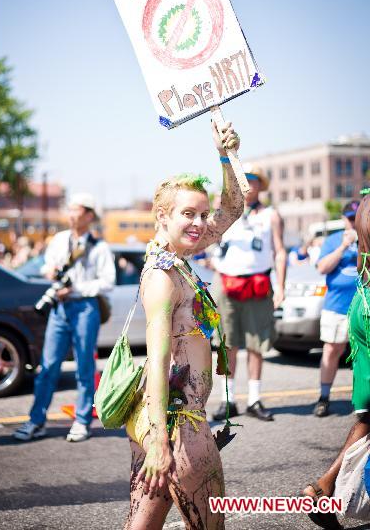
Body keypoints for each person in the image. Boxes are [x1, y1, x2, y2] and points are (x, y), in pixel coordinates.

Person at [124, 120, 243, 529]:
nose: (199, 223)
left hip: (167, 420)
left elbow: (234, 207)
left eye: (202, 213)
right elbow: (156, 361)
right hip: (179, 424)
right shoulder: (162, 276)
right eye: (188, 214)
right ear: (162, 215)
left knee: (142, 524)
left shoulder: (177, 262)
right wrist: (159, 441)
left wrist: (226, 156)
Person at [13, 193, 115, 442]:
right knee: (47, 367)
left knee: (84, 367)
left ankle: (82, 421)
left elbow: (108, 282)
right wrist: (50, 272)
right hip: (59, 308)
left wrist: (77, 289)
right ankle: (36, 420)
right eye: (69, 210)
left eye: (76, 210)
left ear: (89, 215)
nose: (71, 215)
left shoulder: (99, 247)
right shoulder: (59, 240)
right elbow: (47, 266)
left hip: (84, 308)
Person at [302, 192, 370, 530]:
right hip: (359, 304)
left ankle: (322, 488)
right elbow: (325, 266)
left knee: (368, 416)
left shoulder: (366, 206)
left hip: (361, 302)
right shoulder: (341, 234)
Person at [212, 164, 287, 422]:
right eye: (243, 180)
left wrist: (282, 286)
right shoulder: (223, 212)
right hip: (226, 282)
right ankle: (228, 399)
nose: (247, 184)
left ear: (259, 185)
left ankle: (254, 398)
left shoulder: (270, 215)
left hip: (258, 283)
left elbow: (280, 252)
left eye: (252, 180)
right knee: (227, 342)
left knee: (257, 343)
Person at [313, 201, 360, 417]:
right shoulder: (333, 240)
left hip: (361, 307)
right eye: (349, 218)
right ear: (343, 219)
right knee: (332, 351)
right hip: (336, 306)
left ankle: (361, 399)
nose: (352, 222)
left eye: (356, 217)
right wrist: (343, 246)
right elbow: (322, 267)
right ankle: (324, 397)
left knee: (362, 355)